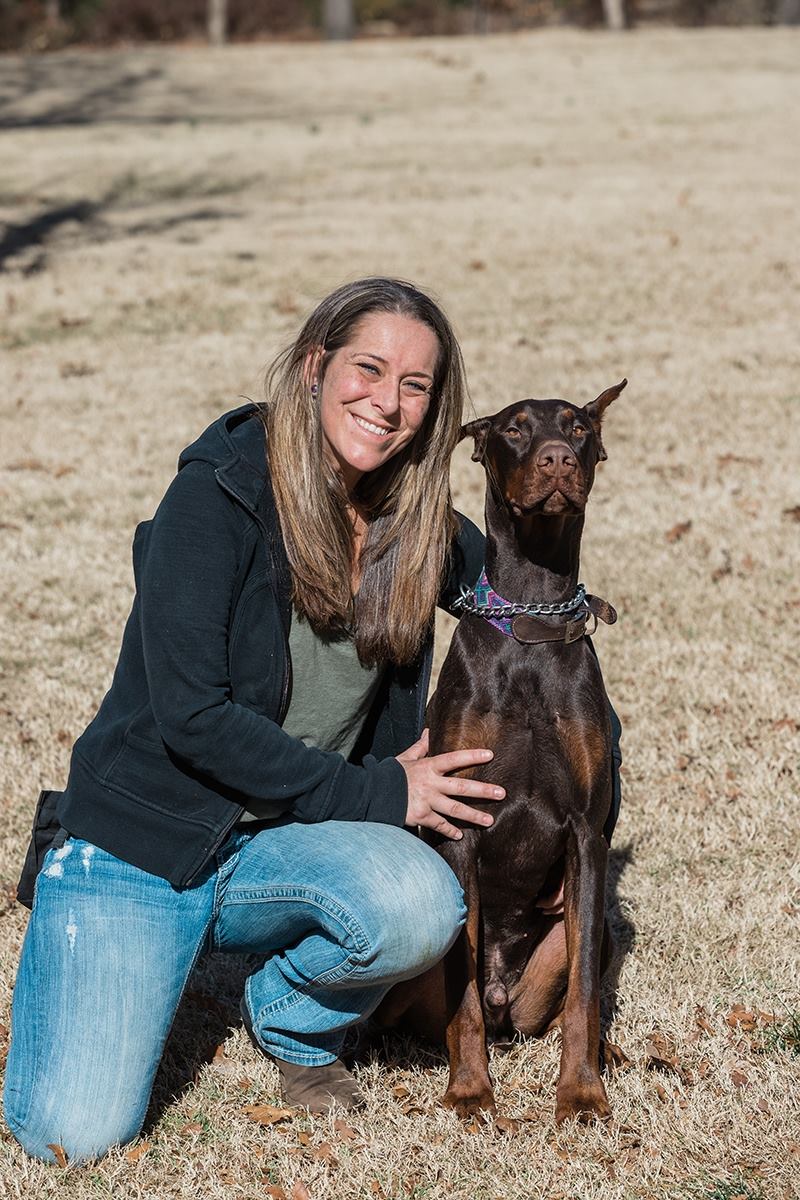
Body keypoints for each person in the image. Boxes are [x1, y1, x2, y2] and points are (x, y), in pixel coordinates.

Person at [4, 277, 621, 1165]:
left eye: (416, 386)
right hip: (146, 843)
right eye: (369, 369)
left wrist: (580, 677)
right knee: (70, 1135)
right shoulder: (215, 499)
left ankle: (289, 1016)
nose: (389, 402)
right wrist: (380, 791)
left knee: (421, 902)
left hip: (285, 843)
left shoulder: (419, 527)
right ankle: (86, 892)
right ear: (313, 366)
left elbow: (521, 597)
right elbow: (192, 720)